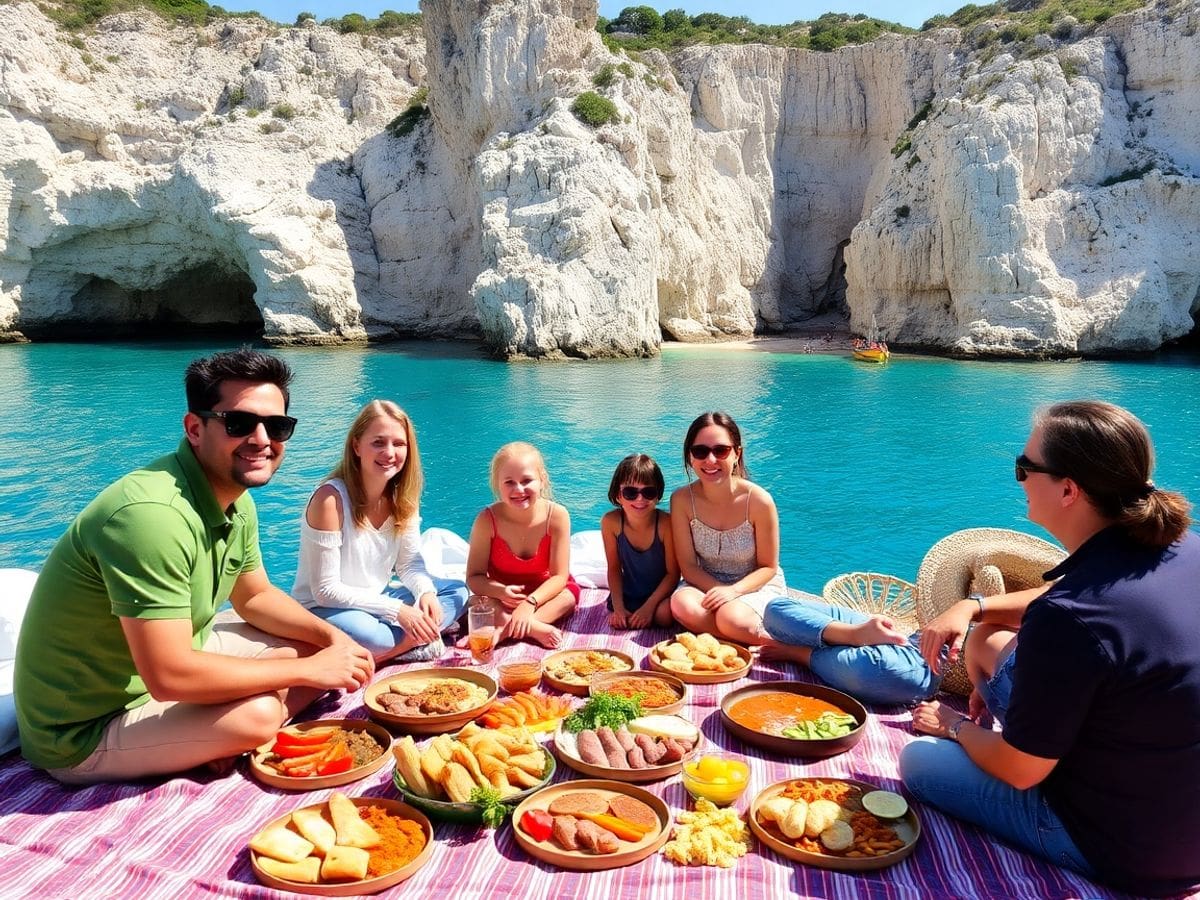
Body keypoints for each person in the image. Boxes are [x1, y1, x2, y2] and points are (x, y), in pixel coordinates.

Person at [13, 348, 375, 784]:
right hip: (83, 730)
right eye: (239, 423)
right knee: (259, 715)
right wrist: (305, 672)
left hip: (168, 669)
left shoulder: (234, 500)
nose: (262, 439)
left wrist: (332, 638)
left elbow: (255, 596)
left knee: (315, 646)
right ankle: (215, 738)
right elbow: (168, 675)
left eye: (277, 426)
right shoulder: (149, 516)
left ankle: (200, 739)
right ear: (194, 428)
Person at [900, 400, 1200, 897]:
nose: (1017, 479)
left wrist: (952, 726)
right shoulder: (1183, 548)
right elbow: (1071, 601)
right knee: (988, 641)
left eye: (1024, 468)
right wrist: (976, 606)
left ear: (1068, 489)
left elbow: (1020, 771)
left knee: (918, 761)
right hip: (1179, 816)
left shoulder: (1071, 617)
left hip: (1125, 850)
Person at [292, 400, 468, 663]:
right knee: (372, 636)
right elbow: (325, 590)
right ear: (356, 446)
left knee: (458, 593)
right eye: (378, 442)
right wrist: (398, 611)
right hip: (326, 608)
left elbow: (409, 564)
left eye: (398, 444)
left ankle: (402, 642)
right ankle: (401, 647)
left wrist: (425, 593)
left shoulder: (403, 497)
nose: (389, 452)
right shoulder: (330, 500)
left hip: (375, 599)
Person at [668, 412, 785, 645]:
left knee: (730, 616)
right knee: (681, 605)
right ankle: (757, 638)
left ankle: (782, 647)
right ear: (690, 457)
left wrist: (733, 592)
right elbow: (689, 568)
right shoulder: (682, 500)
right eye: (700, 451)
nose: (710, 460)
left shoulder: (759, 501)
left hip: (754, 584)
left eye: (720, 451)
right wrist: (720, 591)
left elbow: (768, 567)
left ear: (736, 453)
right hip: (705, 583)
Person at [465, 442, 578, 648]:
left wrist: (530, 603)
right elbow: (474, 578)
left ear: (542, 480)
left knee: (568, 599)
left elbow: (560, 576)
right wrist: (500, 591)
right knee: (477, 602)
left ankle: (504, 631)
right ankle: (534, 629)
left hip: (544, 597)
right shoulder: (486, 520)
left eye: (527, 480)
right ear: (497, 484)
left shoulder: (557, 516)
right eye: (509, 482)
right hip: (504, 599)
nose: (519, 489)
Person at [758, 595, 940, 705]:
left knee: (877, 668)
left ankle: (800, 652)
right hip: (911, 646)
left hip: (917, 665)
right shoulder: (964, 608)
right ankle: (853, 635)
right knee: (777, 609)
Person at [600, 454, 678, 630]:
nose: (640, 499)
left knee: (664, 616)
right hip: (630, 593)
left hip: (660, 594)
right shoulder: (611, 522)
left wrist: (649, 608)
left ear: (658, 495)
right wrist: (619, 608)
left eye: (648, 492)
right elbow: (614, 568)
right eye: (630, 493)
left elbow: (673, 574)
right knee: (619, 618)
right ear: (618, 495)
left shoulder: (666, 524)